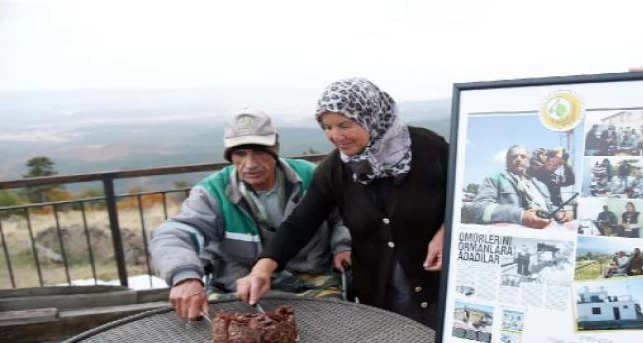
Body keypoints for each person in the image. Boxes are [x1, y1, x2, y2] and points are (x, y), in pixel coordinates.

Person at [235, 78, 447, 328]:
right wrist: (262, 269)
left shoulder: (428, 149)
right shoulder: (335, 169)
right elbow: (301, 222)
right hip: (380, 295)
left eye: (345, 125)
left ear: (372, 116)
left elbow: (469, 194)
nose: (336, 136)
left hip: (439, 288)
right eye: (327, 127)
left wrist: (447, 231)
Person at [150, 109, 351, 320]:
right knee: (223, 339)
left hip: (311, 283)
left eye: (260, 151)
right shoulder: (213, 192)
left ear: (275, 149)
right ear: (230, 156)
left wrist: (343, 245)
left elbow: (342, 215)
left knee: (336, 327)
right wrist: (185, 277)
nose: (251, 164)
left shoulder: (312, 176)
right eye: (240, 154)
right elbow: (174, 233)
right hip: (235, 289)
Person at [469, 145, 570, 229]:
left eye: (523, 157)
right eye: (514, 157)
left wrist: (560, 213)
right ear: (507, 161)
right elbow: (479, 209)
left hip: (549, 230)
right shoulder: (495, 179)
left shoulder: (540, 185)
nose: (518, 159)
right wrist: (520, 216)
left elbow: (549, 207)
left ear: (527, 161)